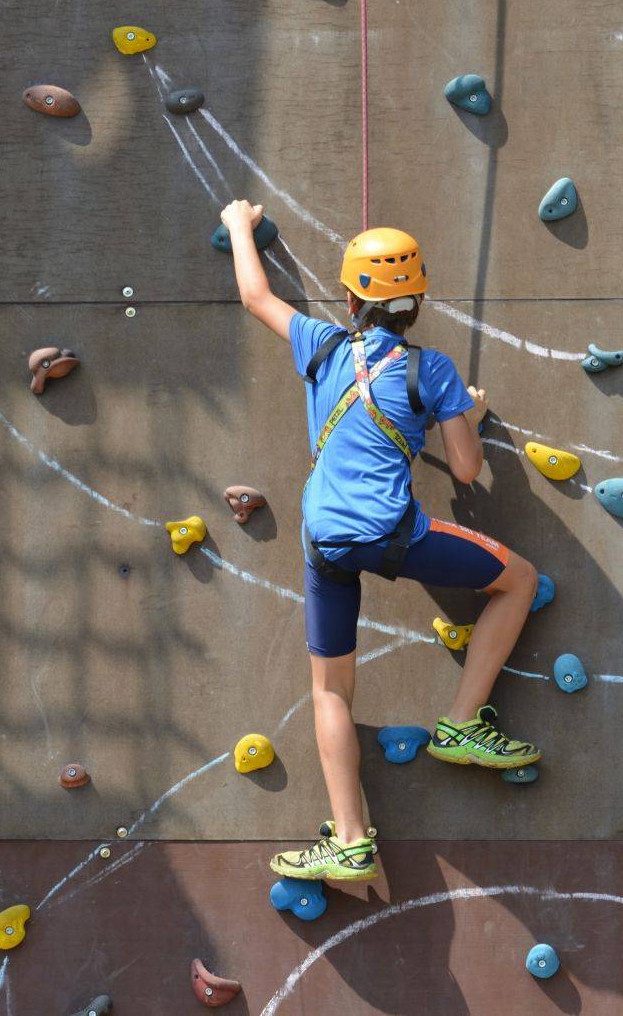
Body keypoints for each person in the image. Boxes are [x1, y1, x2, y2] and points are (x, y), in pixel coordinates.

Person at [219, 200, 541, 882]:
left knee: (331, 689)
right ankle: (461, 723)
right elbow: (465, 470)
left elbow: (255, 295)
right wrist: (466, 414)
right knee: (519, 581)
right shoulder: (432, 371)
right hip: (395, 537)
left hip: (324, 542)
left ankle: (350, 841)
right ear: (417, 302)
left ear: (349, 299)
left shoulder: (320, 345)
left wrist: (241, 225)